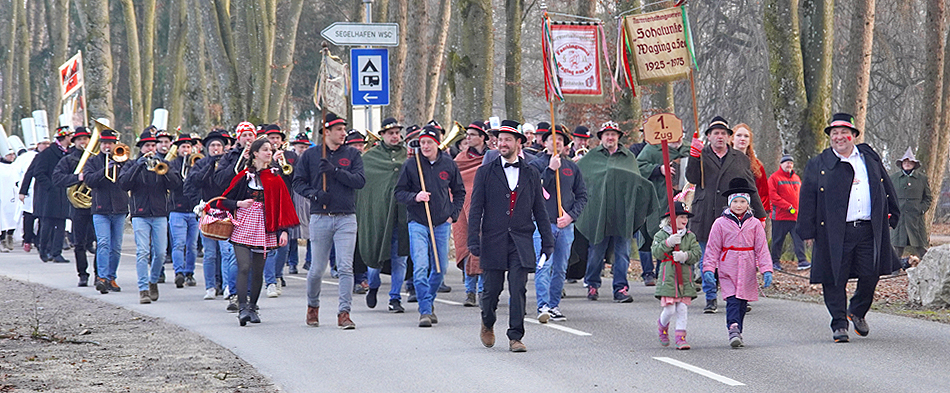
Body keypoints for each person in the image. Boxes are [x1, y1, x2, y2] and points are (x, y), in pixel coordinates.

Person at [797, 113, 901, 343]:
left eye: (844, 132)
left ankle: (857, 310)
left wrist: (893, 214)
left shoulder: (869, 158)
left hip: (868, 228)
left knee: (871, 273)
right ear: (830, 137)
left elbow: (886, 185)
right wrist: (807, 230)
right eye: (834, 133)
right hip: (833, 231)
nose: (839, 137)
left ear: (853, 135)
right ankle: (839, 323)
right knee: (834, 277)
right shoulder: (819, 163)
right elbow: (807, 198)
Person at [468, 120, 553, 352]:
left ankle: (516, 336)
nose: (502, 143)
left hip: (521, 239)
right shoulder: (485, 172)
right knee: (491, 291)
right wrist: (473, 240)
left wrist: (548, 241)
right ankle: (487, 322)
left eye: (507, 139)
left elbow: (539, 209)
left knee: (518, 289)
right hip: (493, 239)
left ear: (518, 143)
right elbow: (475, 208)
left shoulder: (531, 173)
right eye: (500, 140)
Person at [213, 137, 298, 325]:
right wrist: (239, 203)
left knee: (258, 270)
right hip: (243, 226)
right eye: (265, 149)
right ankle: (242, 307)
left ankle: (252, 307)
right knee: (244, 266)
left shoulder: (275, 177)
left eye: (270, 149)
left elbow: (283, 204)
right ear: (255, 154)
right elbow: (223, 200)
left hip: (265, 228)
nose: (269, 153)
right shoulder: (244, 176)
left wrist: (283, 231)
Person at [685, 116, 766, 313]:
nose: (720, 137)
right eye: (716, 133)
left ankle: (740, 297)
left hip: (734, 217)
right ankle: (711, 297)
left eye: (723, 133)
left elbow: (749, 186)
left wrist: (759, 214)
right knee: (707, 259)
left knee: (738, 259)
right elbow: (692, 178)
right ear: (709, 136)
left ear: (729, 137)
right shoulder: (701, 155)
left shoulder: (739, 159)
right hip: (705, 215)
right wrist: (693, 156)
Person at [294, 112, 365, 329]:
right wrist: (315, 194)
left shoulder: (353, 155)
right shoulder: (311, 155)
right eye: (339, 129)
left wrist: (335, 171)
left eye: (344, 129)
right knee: (316, 269)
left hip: (346, 218)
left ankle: (344, 312)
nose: (343, 133)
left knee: (345, 267)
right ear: (326, 132)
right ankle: (312, 306)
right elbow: (298, 182)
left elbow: (360, 181)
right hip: (320, 217)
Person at [575, 121, 657, 303]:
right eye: (606, 134)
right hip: (599, 213)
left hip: (622, 214)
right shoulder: (591, 157)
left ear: (618, 137)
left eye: (613, 134)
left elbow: (636, 182)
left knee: (622, 252)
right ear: (601, 137)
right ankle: (592, 284)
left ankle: (620, 288)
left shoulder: (627, 157)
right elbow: (581, 179)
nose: (610, 137)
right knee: (596, 252)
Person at [394, 125, 465, 327]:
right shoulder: (411, 165)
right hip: (417, 222)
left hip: (442, 223)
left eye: (429, 142)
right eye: (422, 142)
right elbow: (399, 192)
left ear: (437, 144)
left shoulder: (448, 165)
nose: (425, 146)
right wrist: (415, 197)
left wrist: (454, 214)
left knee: (440, 269)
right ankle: (425, 311)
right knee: (420, 267)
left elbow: (459, 191)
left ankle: (428, 300)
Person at [702, 178, 773, 348]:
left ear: (748, 204)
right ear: (729, 203)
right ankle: (733, 329)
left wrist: (766, 269)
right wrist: (709, 269)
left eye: (742, 202)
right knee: (733, 299)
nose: (739, 205)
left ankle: (738, 329)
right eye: (735, 201)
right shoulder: (720, 224)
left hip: (748, 266)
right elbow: (712, 248)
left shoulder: (755, 224)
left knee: (742, 302)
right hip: (728, 266)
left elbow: (762, 249)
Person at [529, 124, 587, 322]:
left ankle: (554, 305)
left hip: (565, 226)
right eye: (553, 139)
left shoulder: (572, 167)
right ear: (545, 143)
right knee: (544, 265)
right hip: (542, 224)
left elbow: (582, 196)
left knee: (561, 267)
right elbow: (534, 190)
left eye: (561, 140)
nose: (557, 143)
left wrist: (571, 216)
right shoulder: (536, 165)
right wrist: (549, 170)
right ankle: (542, 305)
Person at [118, 129, 182, 304]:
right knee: (142, 252)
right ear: (141, 148)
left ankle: (153, 280)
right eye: (147, 146)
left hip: (160, 214)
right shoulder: (131, 164)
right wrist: (139, 166)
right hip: (140, 214)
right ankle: (143, 289)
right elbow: (124, 184)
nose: (151, 148)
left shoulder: (164, 163)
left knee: (160, 253)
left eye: (153, 145)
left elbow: (176, 184)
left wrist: (165, 169)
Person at [357, 118, 410, 313]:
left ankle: (395, 298)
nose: (395, 136)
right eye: (391, 133)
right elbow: (363, 188)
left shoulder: (408, 155)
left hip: (402, 216)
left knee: (400, 257)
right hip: (379, 216)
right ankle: (374, 284)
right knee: (374, 256)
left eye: (397, 132)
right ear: (382, 136)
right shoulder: (369, 158)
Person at [185, 129, 238, 301]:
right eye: (213, 146)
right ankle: (210, 287)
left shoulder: (228, 163)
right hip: (208, 210)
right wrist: (210, 165)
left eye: (219, 146)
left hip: (225, 210)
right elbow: (195, 181)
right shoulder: (201, 163)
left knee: (226, 251)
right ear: (207, 148)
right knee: (209, 253)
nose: (216, 149)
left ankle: (227, 286)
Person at [637, 132, 690, 286]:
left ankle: (665, 273)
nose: (678, 138)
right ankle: (648, 272)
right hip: (656, 200)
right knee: (650, 236)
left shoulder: (687, 148)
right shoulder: (652, 148)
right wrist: (658, 169)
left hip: (681, 200)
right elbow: (638, 166)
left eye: (680, 135)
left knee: (675, 236)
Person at [84, 128, 129, 294]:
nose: (107, 146)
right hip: (100, 209)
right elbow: (89, 180)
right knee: (103, 243)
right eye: (104, 143)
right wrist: (106, 170)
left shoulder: (123, 159)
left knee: (116, 246)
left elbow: (128, 181)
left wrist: (121, 165)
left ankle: (111, 277)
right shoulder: (93, 161)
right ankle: (101, 277)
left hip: (119, 208)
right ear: (100, 145)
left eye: (110, 143)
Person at [651, 202, 701, 350]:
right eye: (680, 217)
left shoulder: (690, 236)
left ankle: (680, 338)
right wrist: (668, 243)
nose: (684, 220)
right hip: (669, 276)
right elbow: (656, 252)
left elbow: (697, 253)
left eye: (686, 217)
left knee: (682, 308)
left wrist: (685, 255)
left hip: (684, 276)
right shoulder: (660, 235)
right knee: (670, 309)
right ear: (671, 219)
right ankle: (662, 326)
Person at [51, 127, 97, 286]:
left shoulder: (97, 159)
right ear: (74, 142)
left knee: (100, 242)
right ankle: (82, 274)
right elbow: (57, 178)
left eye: (85, 139)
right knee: (79, 243)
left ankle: (100, 274)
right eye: (79, 139)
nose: (83, 142)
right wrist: (78, 177)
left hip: (96, 206)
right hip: (78, 207)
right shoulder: (68, 160)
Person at [453, 120, 491, 307]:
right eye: (467, 135)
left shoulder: (492, 156)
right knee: (467, 246)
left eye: (472, 135)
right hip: (463, 208)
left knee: (485, 246)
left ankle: (484, 290)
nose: (468, 138)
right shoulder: (460, 158)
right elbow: (454, 181)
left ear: (482, 138)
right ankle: (470, 291)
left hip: (487, 205)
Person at [32, 126, 71, 263]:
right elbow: (38, 172)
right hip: (49, 195)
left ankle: (56, 252)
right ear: (65, 138)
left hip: (62, 194)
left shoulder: (68, 153)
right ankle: (43, 250)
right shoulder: (47, 153)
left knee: (61, 224)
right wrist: (51, 186)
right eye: (70, 136)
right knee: (47, 224)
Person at [168, 134, 199, 288]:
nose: (186, 150)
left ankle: (189, 272)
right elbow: (172, 184)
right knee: (179, 243)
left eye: (188, 147)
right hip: (177, 210)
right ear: (178, 149)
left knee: (192, 244)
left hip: (194, 210)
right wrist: (181, 170)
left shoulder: (197, 163)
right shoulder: (172, 164)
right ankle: (178, 272)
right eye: (183, 147)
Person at [768, 154, 809, 271]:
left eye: (791, 163)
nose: (789, 165)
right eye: (786, 162)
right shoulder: (774, 178)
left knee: (798, 239)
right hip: (780, 216)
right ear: (781, 164)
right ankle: (775, 262)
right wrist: (788, 207)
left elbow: (801, 195)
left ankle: (802, 261)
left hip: (795, 216)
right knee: (778, 240)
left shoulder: (796, 178)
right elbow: (773, 196)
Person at [890, 147, 932, 261]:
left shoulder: (922, 179)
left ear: (914, 164)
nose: (907, 164)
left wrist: (921, 209)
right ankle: (894, 271)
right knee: (897, 246)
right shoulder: (893, 178)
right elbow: (888, 196)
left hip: (916, 217)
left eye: (910, 162)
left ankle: (927, 268)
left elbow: (928, 198)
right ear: (901, 164)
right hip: (899, 217)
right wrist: (892, 211)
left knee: (920, 246)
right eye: (905, 162)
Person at [731, 123, 771, 217]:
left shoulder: (757, 165)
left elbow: (763, 191)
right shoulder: (724, 161)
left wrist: (761, 215)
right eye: (739, 135)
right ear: (732, 139)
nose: (742, 139)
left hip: (750, 212)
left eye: (746, 136)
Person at [288, 131, 312, 274]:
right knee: (292, 233)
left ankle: (309, 261)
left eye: (305, 147)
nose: (302, 149)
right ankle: (292, 262)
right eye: (300, 146)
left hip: (307, 196)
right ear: (295, 147)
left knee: (311, 232)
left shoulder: (310, 159)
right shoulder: (290, 158)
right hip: (293, 196)